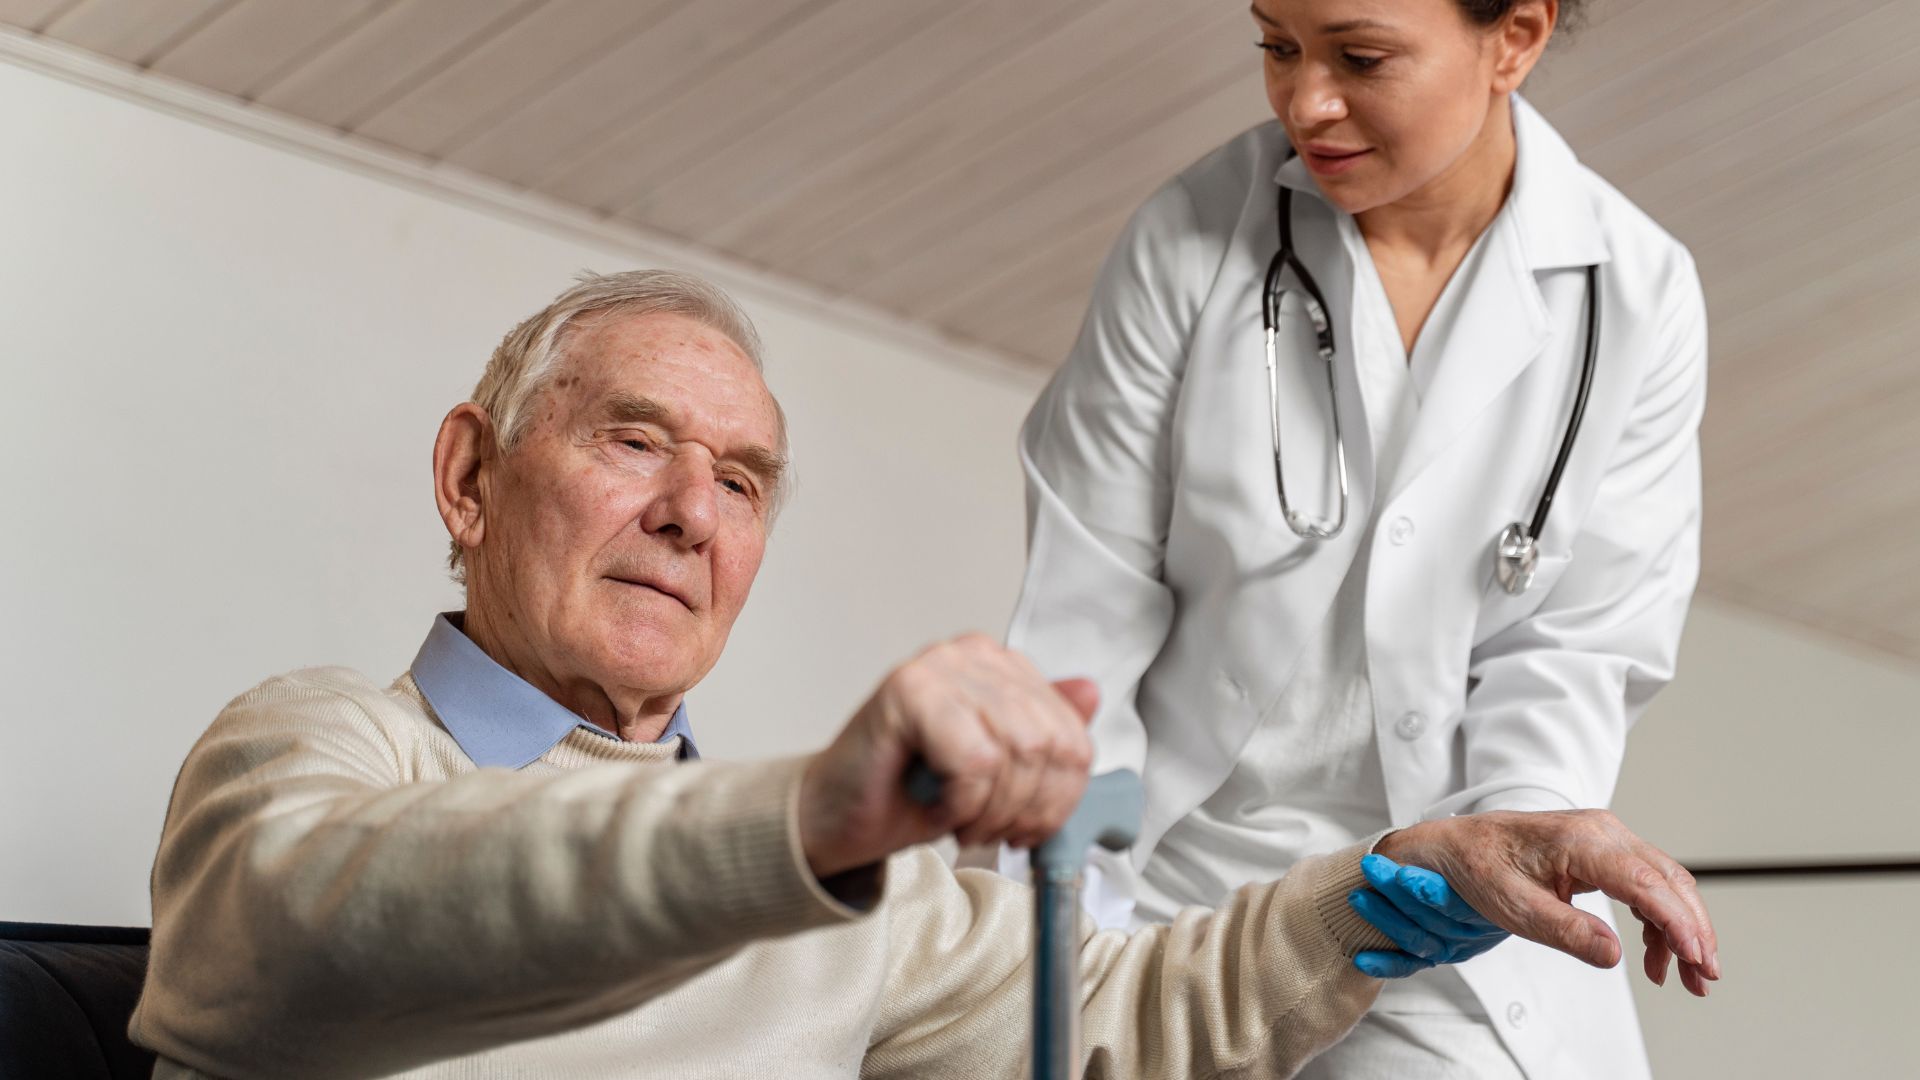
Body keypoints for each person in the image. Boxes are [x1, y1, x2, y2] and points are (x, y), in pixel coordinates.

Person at [130, 272, 1716, 1079]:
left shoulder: (846, 888)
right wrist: (811, 821)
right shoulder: (313, 753)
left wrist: (1396, 885)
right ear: (470, 480)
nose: (691, 512)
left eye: (742, 482)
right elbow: (357, 914)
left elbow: (1109, 1020)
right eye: (635, 443)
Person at [1001, 0, 1709, 1076]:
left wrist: (1515, 838)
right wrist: (1052, 950)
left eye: (1360, 57)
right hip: (1181, 895)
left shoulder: (1636, 296)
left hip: (1452, 924)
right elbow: (1081, 623)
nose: (1306, 101)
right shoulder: (1191, 241)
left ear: (1514, 36)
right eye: (1277, 47)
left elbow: (1576, 650)